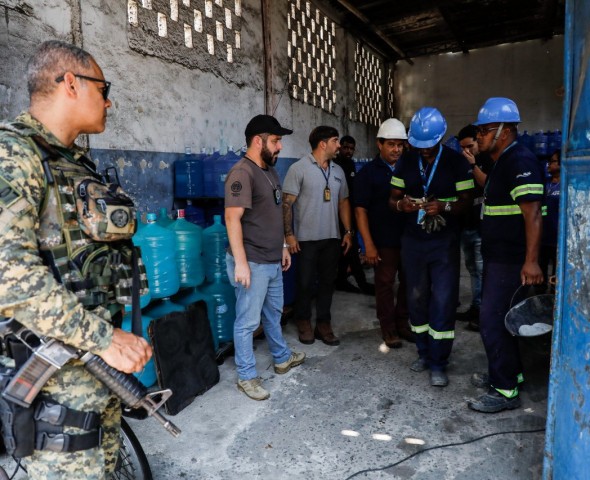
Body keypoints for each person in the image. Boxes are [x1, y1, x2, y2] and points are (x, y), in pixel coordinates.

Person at [0, 41, 152, 478]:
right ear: (70, 83)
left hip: (95, 378)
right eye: (102, 88)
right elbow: (9, 281)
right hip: (52, 388)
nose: (109, 100)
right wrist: (104, 338)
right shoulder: (14, 154)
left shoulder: (74, 164)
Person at [467, 97, 544, 413]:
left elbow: (534, 214)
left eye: (484, 131)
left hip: (510, 260)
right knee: (503, 320)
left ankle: (504, 391)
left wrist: (531, 260)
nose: (479, 137)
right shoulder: (503, 162)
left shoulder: (519, 161)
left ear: (505, 131)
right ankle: (510, 375)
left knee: (492, 321)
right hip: (498, 256)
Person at [390, 107, 474, 387]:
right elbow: (393, 198)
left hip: (443, 243)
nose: (424, 151)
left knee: (443, 299)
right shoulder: (405, 161)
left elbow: (466, 201)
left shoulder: (455, 162)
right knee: (416, 298)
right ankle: (424, 353)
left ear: (440, 139)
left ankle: (440, 362)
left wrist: (444, 206)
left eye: (430, 147)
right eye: (419, 146)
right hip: (413, 242)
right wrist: (402, 205)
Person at [225, 114, 305, 401]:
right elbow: (232, 219)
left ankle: (281, 357)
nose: (280, 146)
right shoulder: (241, 174)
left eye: (280, 141)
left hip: (272, 258)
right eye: (276, 141)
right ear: (258, 141)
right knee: (247, 322)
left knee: (274, 313)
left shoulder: (270, 170)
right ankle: (246, 377)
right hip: (253, 261)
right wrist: (242, 263)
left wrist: (283, 246)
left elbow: (272, 211)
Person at [283, 126, 353, 346]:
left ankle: (323, 323)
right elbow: (286, 204)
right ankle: (303, 320)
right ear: (323, 143)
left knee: (327, 282)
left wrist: (348, 231)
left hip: (332, 238)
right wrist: (289, 235)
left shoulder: (338, 171)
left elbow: (343, 202)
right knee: (304, 282)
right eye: (335, 141)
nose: (339, 145)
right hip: (305, 239)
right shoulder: (299, 169)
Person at [354, 119, 413, 348]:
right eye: (391, 144)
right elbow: (360, 211)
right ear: (379, 144)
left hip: (408, 238)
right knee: (385, 284)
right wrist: (368, 244)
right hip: (383, 241)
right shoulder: (367, 174)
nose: (396, 149)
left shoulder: (410, 170)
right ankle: (388, 329)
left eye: (400, 145)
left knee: (409, 282)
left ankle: (403, 323)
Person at [455, 124, 491, 331]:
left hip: (481, 227)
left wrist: (472, 164)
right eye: (463, 148)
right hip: (465, 225)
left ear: (478, 140)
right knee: (472, 269)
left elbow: (487, 184)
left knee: (480, 269)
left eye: (470, 146)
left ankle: (481, 312)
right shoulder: (462, 163)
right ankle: (475, 307)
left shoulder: (487, 160)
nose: (466, 151)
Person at [333, 135, 374, 295]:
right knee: (352, 249)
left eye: (351, 148)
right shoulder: (335, 165)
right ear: (340, 147)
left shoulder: (350, 164)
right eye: (346, 147)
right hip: (339, 214)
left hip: (350, 211)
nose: (348, 151)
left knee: (347, 248)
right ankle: (362, 283)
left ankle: (341, 280)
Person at [539, 149, 560, 293]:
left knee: (557, 274)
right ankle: (539, 297)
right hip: (542, 236)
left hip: (557, 238)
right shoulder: (544, 183)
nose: (548, 164)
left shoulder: (567, 184)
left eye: (552, 161)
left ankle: (553, 300)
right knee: (540, 271)